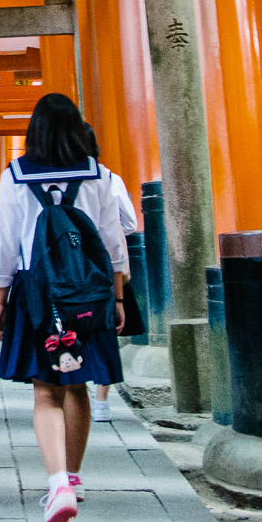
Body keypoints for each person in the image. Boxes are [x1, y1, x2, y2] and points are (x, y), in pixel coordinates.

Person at [0, 93, 127, 522]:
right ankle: (73, 474)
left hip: (37, 290)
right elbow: (111, 243)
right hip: (87, 292)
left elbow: (6, 242)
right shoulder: (97, 173)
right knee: (79, 385)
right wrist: (119, 297)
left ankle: (57, 485)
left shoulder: (14, 175)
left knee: (45, 389)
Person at [80, 124, 142, 422]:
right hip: (105, 267)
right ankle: (101, 402)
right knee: (105, 331)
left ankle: (73, 383)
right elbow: (129, 224)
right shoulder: (109, 178)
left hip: (67, 270)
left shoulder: (45, 179)